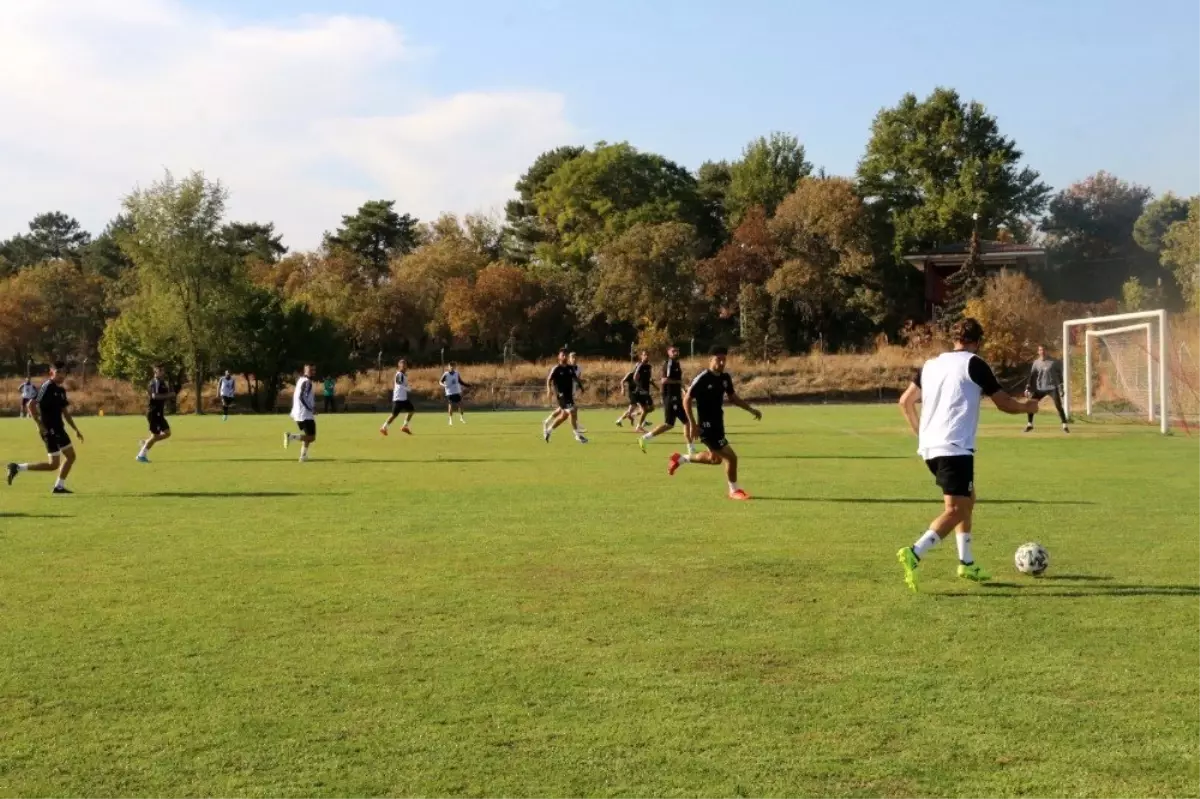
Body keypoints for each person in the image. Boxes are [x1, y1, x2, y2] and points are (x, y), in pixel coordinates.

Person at [895, 318, 1040, 592]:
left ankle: (967, 562)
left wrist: (921, 434)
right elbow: (1004, 404)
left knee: (967, 499)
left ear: (954, 339)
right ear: (977, 342)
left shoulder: (931, 365)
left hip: (932, 448)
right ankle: (914, 552)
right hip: (954, 448)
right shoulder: (974, 363)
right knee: (956, 509)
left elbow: (905, 401)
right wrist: (1027, 407)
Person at [668, 347, 761, 500]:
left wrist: (751, 409)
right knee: (731, 458)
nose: (722, 362)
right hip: (706, 426)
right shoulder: (703, 378)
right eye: (718, 359)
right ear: (710, 360)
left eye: (724, 359)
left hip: (718, 424)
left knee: (715, 459)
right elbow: (686, 399)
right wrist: (693, 424)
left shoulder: (725, 378)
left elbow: (733, 398)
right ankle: (734, 490)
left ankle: (681, 458)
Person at [7, 362, 84, 494]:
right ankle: (18, 468)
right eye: (58, 372)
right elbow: (31, 404)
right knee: (57, 462)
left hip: (59, 428)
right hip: (49, 430)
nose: (62, 375)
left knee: (66, 459)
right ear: (52, 373)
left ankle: (58, 486)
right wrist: (39, 424)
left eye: (64, 372)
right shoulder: (47, 386)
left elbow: (65, 412)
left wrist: (75, 429)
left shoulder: (60, 390)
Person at [639, 345, 696, 456]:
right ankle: (645, 438)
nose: (675, 352)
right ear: (668, 353)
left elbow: (677, 380)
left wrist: (684, 389)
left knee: (686, 421)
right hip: (670, 397)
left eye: (677, 350)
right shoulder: (669, 363)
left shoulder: (677, 364)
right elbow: (664, 380)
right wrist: (679, 384)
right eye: (673, 351)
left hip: (676, 397)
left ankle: (691, 448)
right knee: (669, 424)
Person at [543, 350, 588, 444]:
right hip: (561, 395)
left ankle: (549, 431)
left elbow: (575, 378)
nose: (564, 356)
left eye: (565, 355)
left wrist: (581, 387)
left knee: (564, 415)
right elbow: (549, 380)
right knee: (572, 410)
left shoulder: (570, 368)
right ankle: (577, 435)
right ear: (559, 357)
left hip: (569, 395)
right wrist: (549, 390)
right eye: (562, 355)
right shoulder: (556, 368)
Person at [1024, 344, 1069, 433]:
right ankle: (1030, 424)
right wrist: (1028, 387)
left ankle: (1065, 425)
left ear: (1047, 351)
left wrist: (1061, 388)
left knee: (1058, 405)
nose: (1042, 352)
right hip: (1040, 388)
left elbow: (1060, 376)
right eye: (1040, 350)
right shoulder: (1036, 363)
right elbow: (1032, 376)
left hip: (1052, 387)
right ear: (1038, 352)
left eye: (1044, 350)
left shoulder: (1054, 362)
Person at [136, 365, 175, 463]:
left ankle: (146, 442)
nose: (162, 372)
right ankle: (141, 456)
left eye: (163, 370)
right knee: (155, 436)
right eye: (160, 371)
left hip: (159, 413)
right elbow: (154, 396)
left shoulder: (162, 382)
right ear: (155, 371)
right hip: (154, 412)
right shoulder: (155, 382)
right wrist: (169, 395)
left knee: (167, 433)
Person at [284, 364, 317, 462]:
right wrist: (311, 408)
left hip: (298, 413)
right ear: (306, 371)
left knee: (308, 435)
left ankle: (303, 456)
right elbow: (302, 397)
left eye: (313, 370)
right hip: (304, 414)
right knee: (311, 437)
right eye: (311, 370)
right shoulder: (307, 382)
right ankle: (291, 437)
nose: (313, 372)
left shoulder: (301, 380)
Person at [380, 358, 414, 436]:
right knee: (394, 415)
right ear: (399, 366)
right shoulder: (399, 374)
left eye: (405, 364)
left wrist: (407, 387)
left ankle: (405, 426)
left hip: (404, 398)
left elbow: (403, 384)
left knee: (411, 411)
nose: (404, 366)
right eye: (402, 365)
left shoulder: (404, 375)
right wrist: (407, 388)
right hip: (398, 398)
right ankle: (383, 427)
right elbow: (399, 383)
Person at [630, 350, 655, 431]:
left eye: (647, 355)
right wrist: (641, 389)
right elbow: (635, 378)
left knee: (649, 409)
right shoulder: (640, 365)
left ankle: (634, 415)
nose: (646, 356)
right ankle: (639, 426)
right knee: (647, 409)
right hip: (640, 392)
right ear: (641, 356)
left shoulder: (649, 366)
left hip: (645, 391)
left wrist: (655, 385)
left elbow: (648, 379)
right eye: (644, 355)